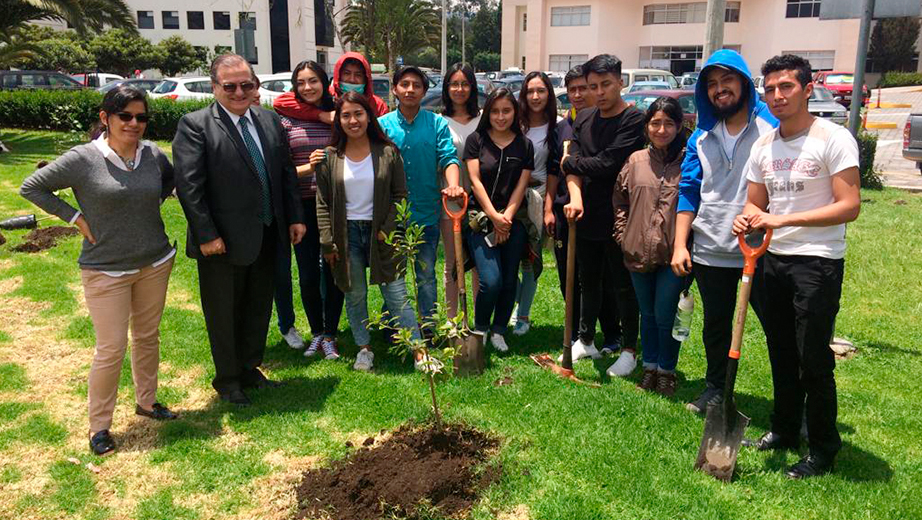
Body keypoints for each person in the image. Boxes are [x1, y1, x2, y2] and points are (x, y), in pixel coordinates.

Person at [20, 85, 178, 455]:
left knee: (148, 336)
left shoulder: (153, 154)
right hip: (105, 269)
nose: (134, 123)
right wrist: (74, 216)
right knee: (111, 348)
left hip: (154, 261)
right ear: (106, 118)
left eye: (141, 117)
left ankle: (147, 400)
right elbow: (32, 187)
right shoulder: (83, 158)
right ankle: (100, 426)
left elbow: (168, 181)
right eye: (125, 116)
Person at [733, 54, 861, 479]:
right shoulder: (764, 145)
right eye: (769, 89)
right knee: (781, 352)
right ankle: (785, 430)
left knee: (812, 358)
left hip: (817, 262)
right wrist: (746, 216)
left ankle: (823, 448)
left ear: (808, 89)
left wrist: (780, 220)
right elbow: (756, 202)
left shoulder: (833, 138)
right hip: (772, 261)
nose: (776, 96)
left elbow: (849, 206)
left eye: (785, 87)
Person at [173, 54, 306, 406]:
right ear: (215, 87)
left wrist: (294, 217)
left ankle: (250, 368)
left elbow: (286, 173)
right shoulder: (195, 125)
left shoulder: (268, 120)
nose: (239, 92)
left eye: (247, 85)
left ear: (255, 85)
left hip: (267, 231)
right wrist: (206, 234)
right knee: (224, 311)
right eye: (229, 86)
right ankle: (228, 379)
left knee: (258, 306)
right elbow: (190, 187)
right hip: (221, 241)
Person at [671, 49, 778, 415]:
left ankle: (794, 406)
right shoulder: (701, 137)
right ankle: (716, 389)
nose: (720, 90)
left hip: (762, 250)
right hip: (711, 248)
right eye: (712, 84)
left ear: (744, 83)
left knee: (778, 331)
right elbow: (688, 191)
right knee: (715, 328)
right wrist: (679, 245)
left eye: (727, 81)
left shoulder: (771, 129)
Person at [315, 91, 422, 372]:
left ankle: (418, 351)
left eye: (358, 114)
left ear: (369, 116)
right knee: (355, 294)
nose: (353, 120)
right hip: (345, 236)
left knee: (397, 294)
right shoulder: (329, 157)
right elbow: (323, 202)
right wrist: (327, 242)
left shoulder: (388, 152)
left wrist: (387, 229)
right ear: (338, 120)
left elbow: (400, 194)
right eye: (346, 115)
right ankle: (364, 348)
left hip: (381, 235)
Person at [561, 54, 644, 377]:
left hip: (622, 213)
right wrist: (577, 193)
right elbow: (573, 163)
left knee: (622, 285)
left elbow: (610, 163)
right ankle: (586, 339)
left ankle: (629, 350)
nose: (599, 92)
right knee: (588, 280)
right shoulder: (584, 118)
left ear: (620, 82)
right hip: (585, 213)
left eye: (606, 84)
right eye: (593, 86)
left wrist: (571, 163)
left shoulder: (633, 120)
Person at [613, 97, 688, 397]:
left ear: (679, 126)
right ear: (646, 127)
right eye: (655, 123)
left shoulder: (689, 160)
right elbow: (620, 200)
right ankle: (650, 366)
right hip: (637, 252)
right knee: (649, 313)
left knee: (666, 313)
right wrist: (623, 235)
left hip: (674, 255)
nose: (661, 129)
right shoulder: (635, 161)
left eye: (669, 123)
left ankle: (667, 370)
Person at [378, 66, 462, 333]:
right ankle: (399, 328)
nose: (410, 89)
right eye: (405, 84)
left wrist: (453, 186)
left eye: (416, 85)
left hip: (426, 213)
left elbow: (448, 157)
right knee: (394, 276)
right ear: (395, 89)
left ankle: (427, 329)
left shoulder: (436, 123)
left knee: (426, 275)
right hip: (393, 215)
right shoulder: (382, 126)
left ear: (424, 91)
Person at [271, 60, 345, 360]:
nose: (307, 87)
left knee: (334, 270)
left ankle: (331, 334)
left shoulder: (339, 114)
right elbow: (282, 170)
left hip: (335, 204)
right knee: (308, 275)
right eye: (300, 82)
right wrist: (308, 167)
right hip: (301, 206)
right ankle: (316, 332)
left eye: (313, 81)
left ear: (324, 82)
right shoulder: (285, 118)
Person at [548, 66, 621, 352]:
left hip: (604, 212)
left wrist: (573, 164)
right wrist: (549, 208)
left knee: (607, 277)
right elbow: (556, 167)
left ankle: (613, 334)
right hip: (567, 209)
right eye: (573, 89)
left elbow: (604, 163)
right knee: (575, 275)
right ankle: (580, 333)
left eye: (585, 88)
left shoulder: (607, 122)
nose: (579, 94)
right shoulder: (563, 127)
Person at [464, 88, 535, 352]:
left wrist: (506, 218)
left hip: (513, 220)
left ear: (515, 112)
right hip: (481, 219)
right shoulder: (476, 140)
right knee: (490, 280)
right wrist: (494, 217)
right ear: (487, 112)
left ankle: (499, 330)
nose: (501, 116)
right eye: (495, 111)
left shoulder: (524, 144)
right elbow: (475, 181)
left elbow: (522, 184)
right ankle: (481, 327)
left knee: (508, 280)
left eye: (506, 110)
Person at [511, 71, 559, 336]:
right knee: (505, 259)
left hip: (538, 197)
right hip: (511, 198)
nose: (535, 96)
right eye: (530, 91)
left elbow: (554, 171)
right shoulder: (514, 123)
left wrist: (549, 207)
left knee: (530, 259)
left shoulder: (557, 126)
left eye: (541, 91)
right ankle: (515, 299)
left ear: (549, 94)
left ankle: (524, 314)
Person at [440, 63, 481, 318]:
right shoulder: (438, 121)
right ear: (446, 88)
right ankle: (452, 320)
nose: (459, 89)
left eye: (464, 83)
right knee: (452, 263)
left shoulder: (483, 118)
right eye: (454, 84)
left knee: (479, 263)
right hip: (450, 199)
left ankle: (479, 320)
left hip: (480, 200)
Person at [273, 52, 388, 124]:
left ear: (366, 78)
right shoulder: (328, 96)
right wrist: (321, 115)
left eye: (358, 75)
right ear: (338, 75)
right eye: (347, 73)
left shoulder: (377, 105)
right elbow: (280, 102)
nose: (352, 79)